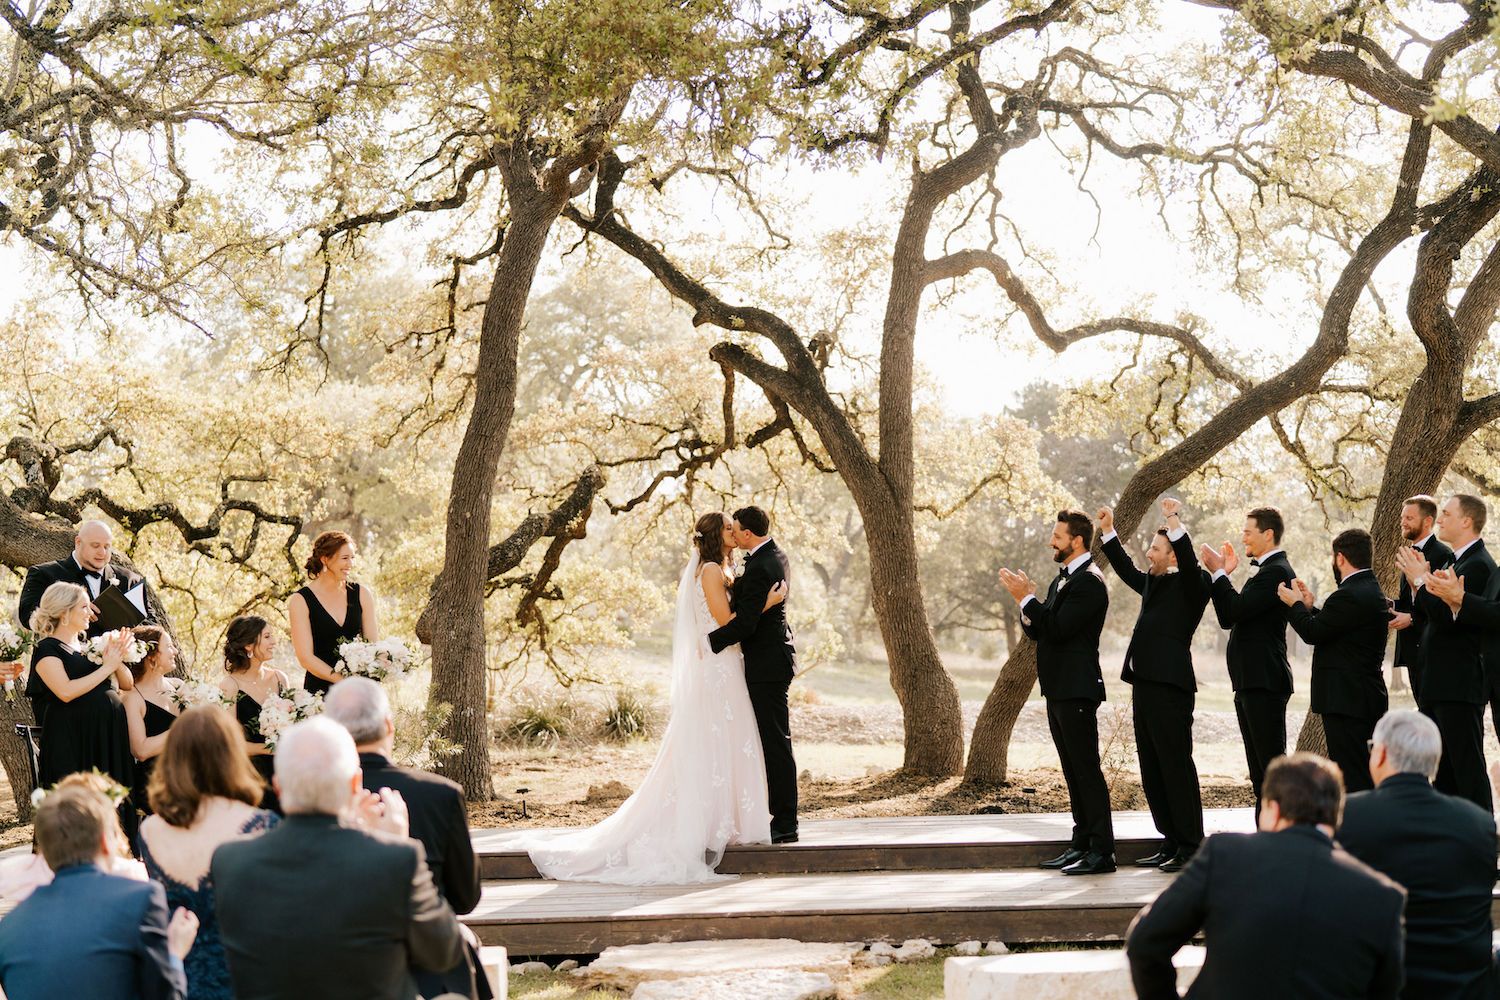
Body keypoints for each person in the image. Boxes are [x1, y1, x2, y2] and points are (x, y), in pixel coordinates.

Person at [524, 512, 783, 883]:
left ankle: (725, 823)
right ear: (715, 535)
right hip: (717, 667)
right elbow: (726, 621)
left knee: (726, 741)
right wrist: (767, 604)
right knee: (718, 740)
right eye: (728, 528)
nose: (734, 532)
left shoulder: (719, 568)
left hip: (725, 664)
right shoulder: (709, 570)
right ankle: (713, 825)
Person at [211, 717, 463, 1000]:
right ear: (356, 783)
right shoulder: (395, 859)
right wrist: (393, 842)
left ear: (278, 787)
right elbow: (444, 953)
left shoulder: (229, 860)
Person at [1125, 753, 1406, 1000]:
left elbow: (1145, 943)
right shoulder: (1382, 896)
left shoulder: (1225, 855)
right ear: (1337, 816)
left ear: (1272, 809)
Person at [325, 678, 488, 1000]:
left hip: (338, 971)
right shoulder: (440, 794)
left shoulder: (317, 796)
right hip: (428, 970)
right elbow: (464, 899)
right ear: (388, 725)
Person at [1338, 711, 1498, 999]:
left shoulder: (1345, 818)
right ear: (1433, 762)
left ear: (1381, 754)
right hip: (1462, 987)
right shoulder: (1479, 825)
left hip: (1376, 985)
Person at [0, 779, 199, 1000]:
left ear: (45, 852)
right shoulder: (140, 899)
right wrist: (174, 953)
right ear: (106, 841)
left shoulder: (8, 929)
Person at [998, 510, 1115, 875]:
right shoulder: (1063, 580)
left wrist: (1025, 599)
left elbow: (1060, 628)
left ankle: (1102, 852)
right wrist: (1027, 603)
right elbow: (1040, 630)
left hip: (1078, 689)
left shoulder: (1090, 583)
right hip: (1059, 689)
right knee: (1072, 770)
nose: (1052, 541)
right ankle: (1081, 844)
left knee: (1086, 770)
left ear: (1076, 540)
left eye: (1057, 536)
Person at [1098, 498, 1210, 872]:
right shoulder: (1153, 582)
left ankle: (1191, 844)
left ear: (1174, 555)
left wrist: (1173, 520)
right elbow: (1127, 569)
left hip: (1171, 687)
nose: (1149, 552)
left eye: (1157, 548)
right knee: (1152, 766)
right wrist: (1109, 531)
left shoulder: (1195, 584)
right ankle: (1170, 840)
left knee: (1175, 764)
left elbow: (1191, 561)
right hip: (1143, 683)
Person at [138, 707, 278, 1000]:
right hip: (248, 977)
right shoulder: (263, 825)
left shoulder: (149, 830)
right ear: (231, 755)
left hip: (181, 977)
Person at [706, 505, 801, 844]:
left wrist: (708, 642)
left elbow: (745, 623)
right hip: (769, 661)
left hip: (768, 665)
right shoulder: (774, 555)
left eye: (736, 529)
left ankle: (785, 823)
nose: (733, 533)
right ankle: (780, 817)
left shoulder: (762, 565)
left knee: (775, 743)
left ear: (748, 534)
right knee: (774, 741)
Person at [1396, 493, 1493, 810]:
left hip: (1459, 683)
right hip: (1439, 682)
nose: (1440, 520)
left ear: (1466, 521)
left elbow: (1454, 620)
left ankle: (1482, 837)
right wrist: (1418, 586)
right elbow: (1433, 613)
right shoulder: (1456, 561)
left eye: (1447, 514)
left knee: (1466, 767)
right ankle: (1451, 834)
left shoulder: (1478, 565)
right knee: (1444, 771)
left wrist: (1421, 581)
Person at [1200, 506, 1296, 817]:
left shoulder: (1277, 571)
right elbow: (1234, 614)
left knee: (1269, 772)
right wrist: (1222, 575)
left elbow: (1232, 612)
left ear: (1268, 534)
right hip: (1250, 681)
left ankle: (1278, 841)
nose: (1242, 537)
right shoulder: (1265, 571)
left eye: (1248, 532)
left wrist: (1218, 573)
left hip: (1264, 680)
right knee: (1259, 775)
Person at [1277, 529, 1389, 792]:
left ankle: (1357, 829)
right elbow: (1333, 627)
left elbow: (1313, 633)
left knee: (1353, 774)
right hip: (1359, 696)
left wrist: (1293, 604)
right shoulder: (1367, 588)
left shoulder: (1348, 594)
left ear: (1340, 558)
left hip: (1349, 699)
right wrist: (1307, 607)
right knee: (1359, 769)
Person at [27, 582, 136, 840]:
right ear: (65, 613)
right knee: (79, 809)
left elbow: (127, 683)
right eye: (84, 607)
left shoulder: (90, 648)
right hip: (74, 740)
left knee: (113, 801)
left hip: (106, 737)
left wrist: (115, 655)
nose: (90, 612)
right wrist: (106, 667)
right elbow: (65, 691)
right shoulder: (47, 649)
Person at [18, 520, 152, 640]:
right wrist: (72, 610)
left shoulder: (129, 580)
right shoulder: (43, 574)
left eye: (107, 546)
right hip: (64, 662)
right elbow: (28, 617)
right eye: (95, 546)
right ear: (78, 542)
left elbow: (151, 625)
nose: (102, 553)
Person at [288, 530, 380, 696]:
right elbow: (305, 658)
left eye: (352, 557)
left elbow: (372, 646)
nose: (350, 564)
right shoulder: (300, 600)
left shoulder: (362, 594)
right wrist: (343, 681)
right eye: (345, 558)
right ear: (325, 559)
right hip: (320, 694)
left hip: (360, 691)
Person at [217, 615, 289, 811]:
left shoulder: (280, 679)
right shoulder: (229, 686)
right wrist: (269, 749)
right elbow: (230, 745)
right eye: (267, 637)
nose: (274, 642)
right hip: (251, 776)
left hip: (285, 772)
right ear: (249, 646)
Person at [1391, 496, 1452, 702]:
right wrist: (1391, 605)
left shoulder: (1443, 555)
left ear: (1427, 521)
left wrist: (1412, 619)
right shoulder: (1410, 553)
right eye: (1402, 517)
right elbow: (1411, 602)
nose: (1403, 522)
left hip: (1433, 652)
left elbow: (1442, 605)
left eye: (1409, 517)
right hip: (1412, 651)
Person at [124, 625, 181, 820]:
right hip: (157, 780)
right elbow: (141, 750)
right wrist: (184, 728)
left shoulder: (178, 687)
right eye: (169, 646)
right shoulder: (133, 697)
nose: (175, 651)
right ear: (152, 657)